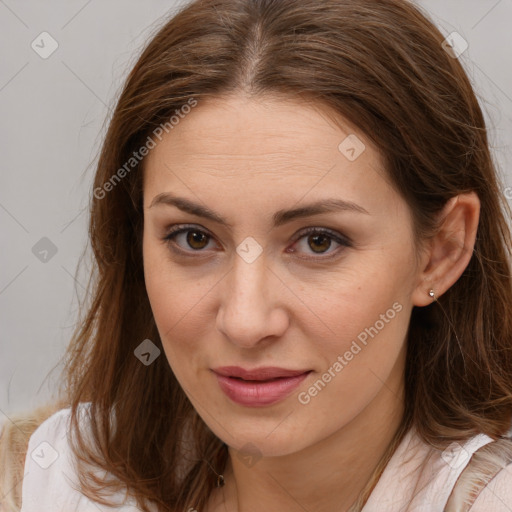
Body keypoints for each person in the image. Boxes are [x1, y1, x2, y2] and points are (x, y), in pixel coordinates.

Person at [1, 0, 512, 510]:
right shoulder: (40, 483)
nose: (245, 323)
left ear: (441, 252)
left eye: (318, 241)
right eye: (193, 238)